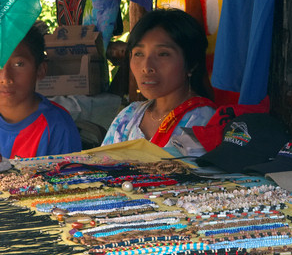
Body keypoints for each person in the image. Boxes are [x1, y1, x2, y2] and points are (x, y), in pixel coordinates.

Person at [102, 9, 217, 149]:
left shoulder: (204, 120)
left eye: (163, 54)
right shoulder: (129, 116)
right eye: (138, 54)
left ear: (191, 64)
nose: (146, 67)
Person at [0, 24, 82, 158]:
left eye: (18, 64)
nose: (5, 78)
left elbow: (68, 176)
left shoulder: (57, 126)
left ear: (40, 70)